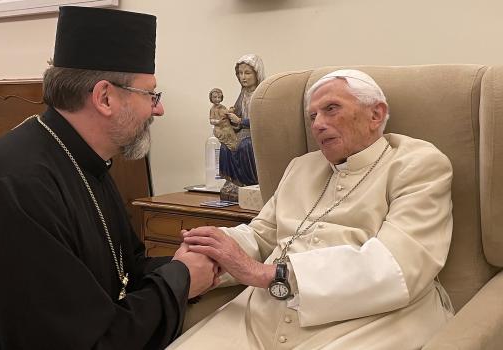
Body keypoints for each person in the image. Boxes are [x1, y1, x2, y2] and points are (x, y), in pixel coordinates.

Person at [0, 6, 217, 350]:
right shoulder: (17, 191)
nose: (158, 109)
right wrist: (182, 278)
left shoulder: (83, 159)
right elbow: (86, 341)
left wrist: (195, 259)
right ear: (105, 98)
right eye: (151, 95)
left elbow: (122, 272)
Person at [168, 69, 454, 349]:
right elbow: (260, 235)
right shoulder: (301, 167)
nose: (317, 124)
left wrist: (265, 274)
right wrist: (214, 246)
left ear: (375, 114)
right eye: (313, 116)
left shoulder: (418, 163)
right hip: (263, 315)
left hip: (370, 320)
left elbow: (400, 264)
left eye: (331, 109)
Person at [219, 54, 265, 196]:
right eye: (240, 73)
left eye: (247, 73)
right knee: (226, 144)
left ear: (257, 74)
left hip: (257, 133)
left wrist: (240, 121)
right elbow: (238, 115)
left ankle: (250, 182)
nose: (243, 77)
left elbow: (262, 121)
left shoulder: (262, 94)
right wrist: (229, 116)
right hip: (243, 131)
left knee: (245, 145)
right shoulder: (243, 94)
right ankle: (233, 181)